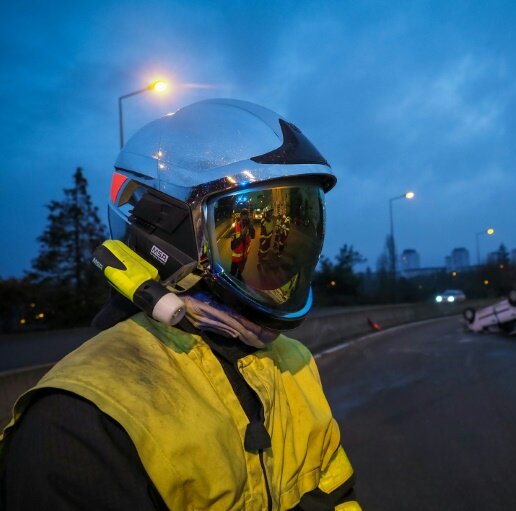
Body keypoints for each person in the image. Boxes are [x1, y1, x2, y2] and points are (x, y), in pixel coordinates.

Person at [0, 99, 360, 510]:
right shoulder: (80, 421)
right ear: (165, 230)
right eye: (250, 228)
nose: (285, 254)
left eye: (298, 223)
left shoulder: (292, 362)